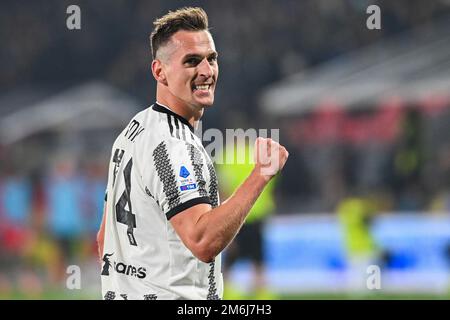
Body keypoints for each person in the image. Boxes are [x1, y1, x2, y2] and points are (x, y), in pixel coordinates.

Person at [97, 7, 289, 300]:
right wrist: (261, 174)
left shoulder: (132, 131)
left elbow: (104, 239)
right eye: (191, 61)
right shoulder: (174, 146)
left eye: (211, 59)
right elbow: (202, 241)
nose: (206, 71)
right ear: (159, 71)